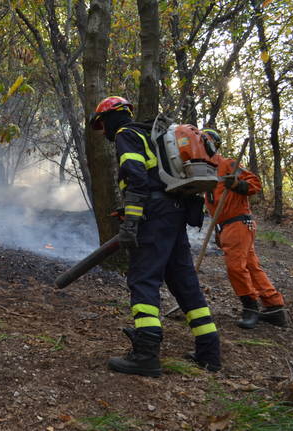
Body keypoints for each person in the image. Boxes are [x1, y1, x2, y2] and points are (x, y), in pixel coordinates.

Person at [90, 96, 221, 376]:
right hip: (175, 211)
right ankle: (209, 352)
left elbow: (135, 176)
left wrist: (133, 219)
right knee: (184, 281)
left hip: (154, 214)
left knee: (143, 279)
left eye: (102, 124)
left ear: (111, 117)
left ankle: (146, 353)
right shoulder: (153, 135)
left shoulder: (127, 134)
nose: (104, 132)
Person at [202, 128, 286, 329]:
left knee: (236, 267)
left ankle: (250, 307)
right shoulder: (204, 172)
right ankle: (275, 308)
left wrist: (238, 184)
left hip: (238, 222)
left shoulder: (227, 164)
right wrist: (217, 229)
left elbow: (255, 183)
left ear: (212, 143)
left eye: (204, 140)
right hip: (225, 226)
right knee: (250, 266)